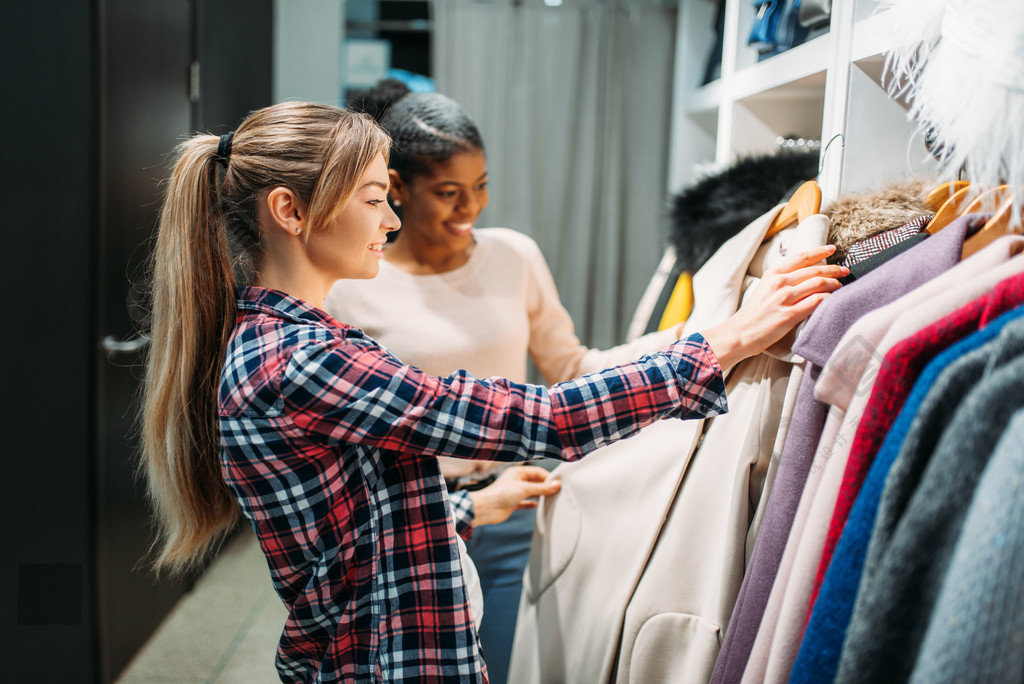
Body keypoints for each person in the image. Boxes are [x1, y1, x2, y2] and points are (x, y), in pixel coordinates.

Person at [139, 100, 845, 683]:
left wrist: (470, 504)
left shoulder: (295, 342)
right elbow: (532, 415)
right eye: (375, 199)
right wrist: (721, 343)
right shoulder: (300, 360)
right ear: (291, 212)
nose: (389, 220)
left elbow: (361, 527)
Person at [324, 79, 734, 684]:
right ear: (399, 190)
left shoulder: (514, 257)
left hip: (515, 509)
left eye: (481, 186)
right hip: (411, 521)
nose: (471, 208)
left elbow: (572, 368)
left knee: (506, 667)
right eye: (449, 193)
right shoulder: (350, 286)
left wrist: (698, 338)